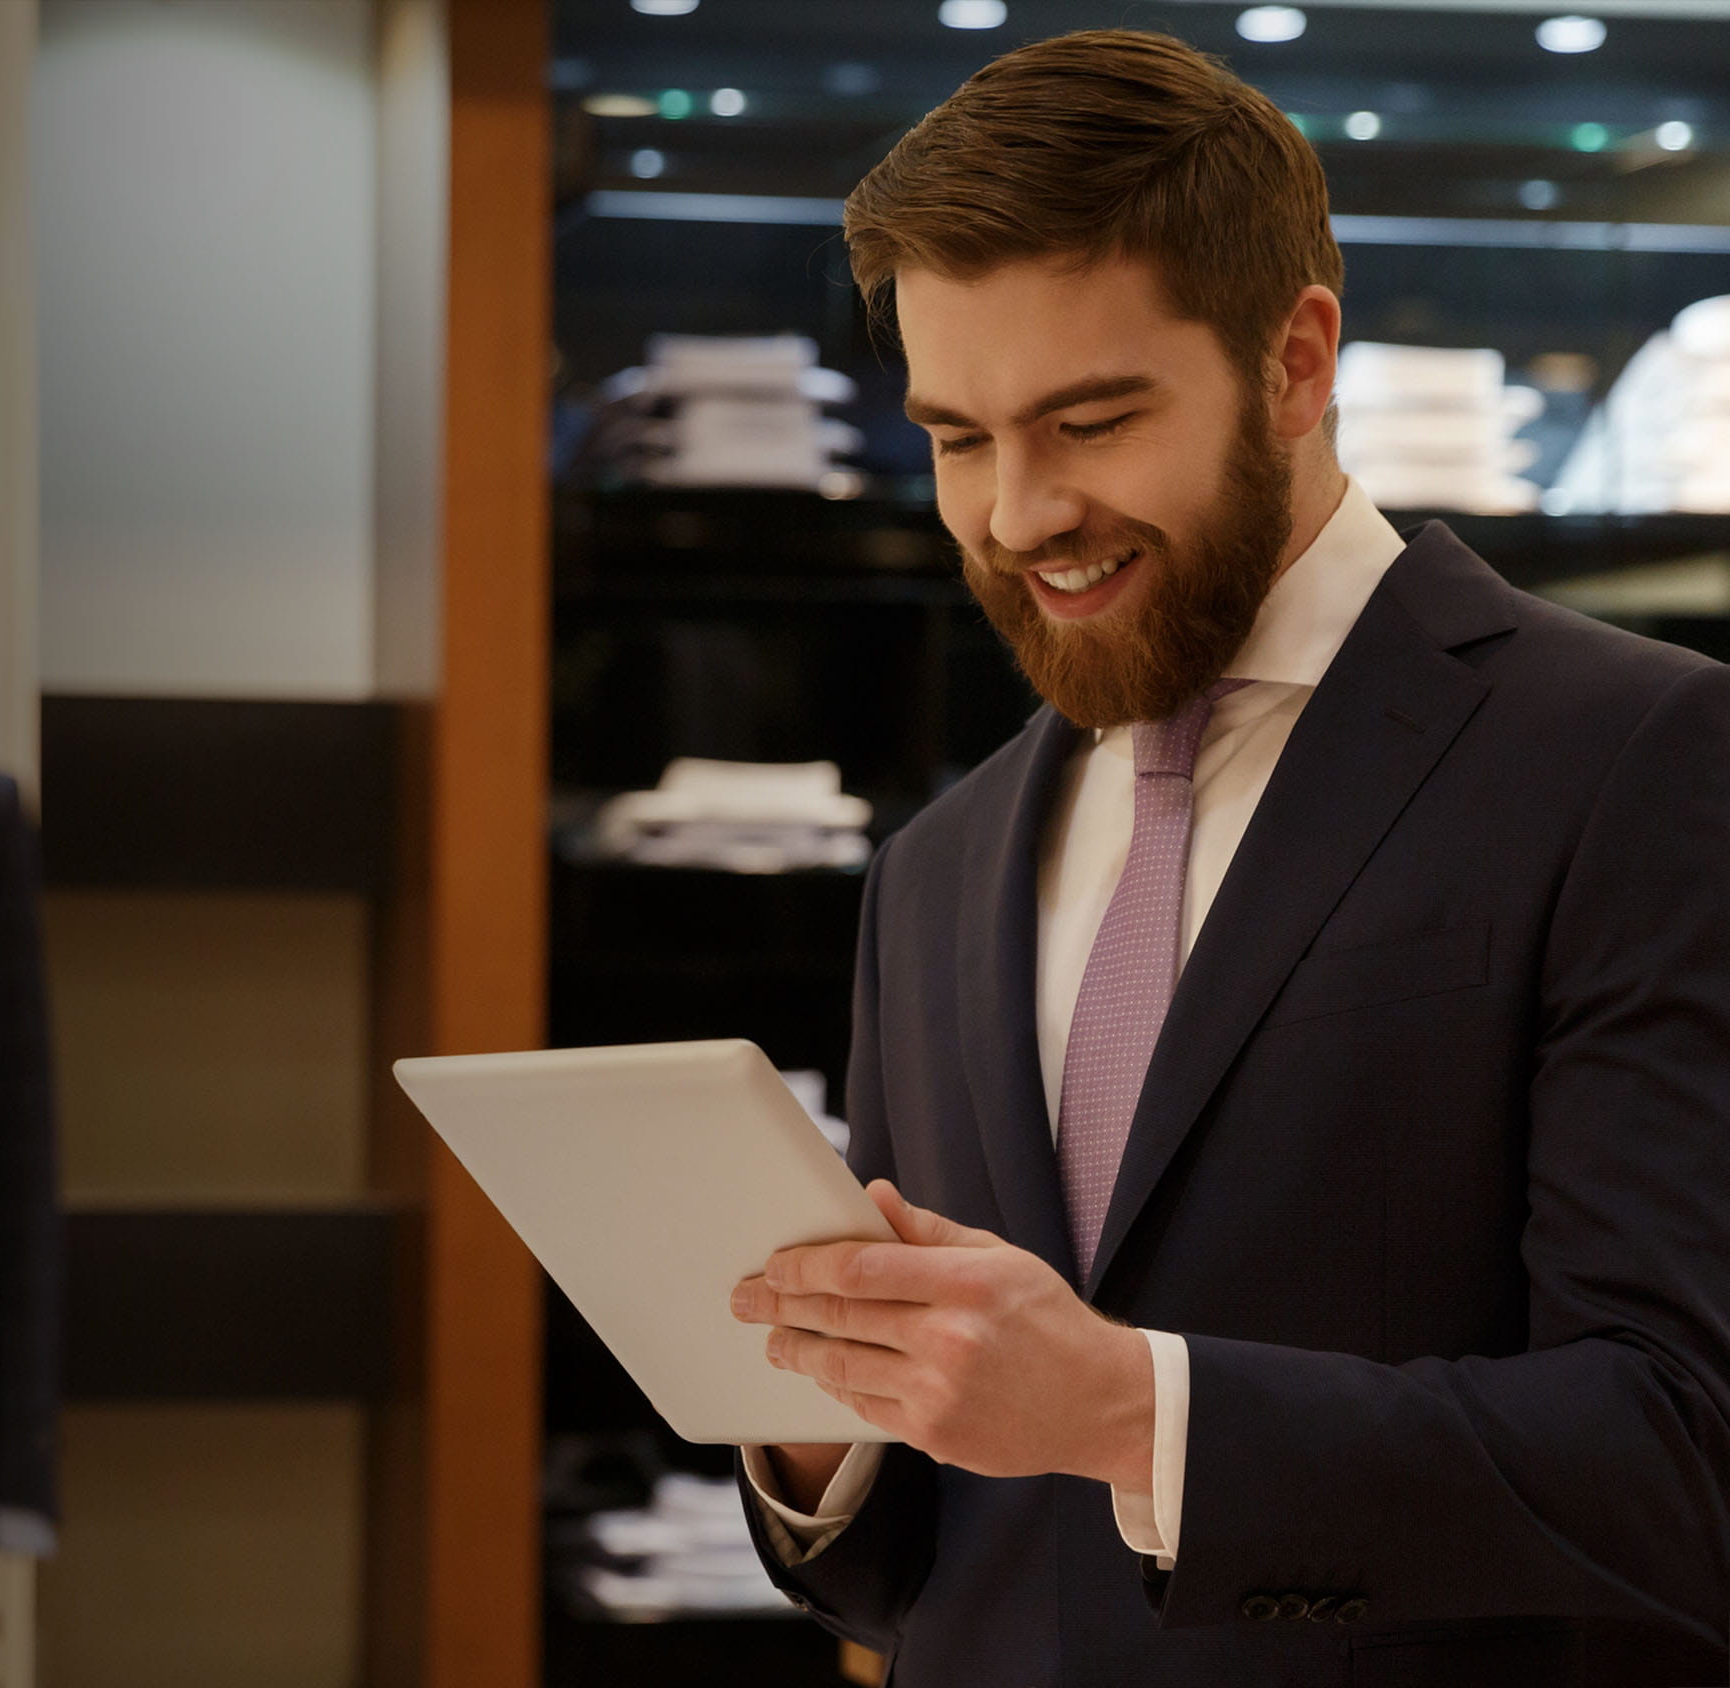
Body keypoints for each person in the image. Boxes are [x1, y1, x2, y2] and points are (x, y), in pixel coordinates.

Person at [723, 29, 1729, 1686]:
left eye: (1092, 419)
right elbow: (912, 1573)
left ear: (1297, 361)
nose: (1018, 513)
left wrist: (1131, 1409)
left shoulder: (1637, 758)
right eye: (960, 438)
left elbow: (1682, 1454)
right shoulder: (937, 864)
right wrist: (820, 1436)